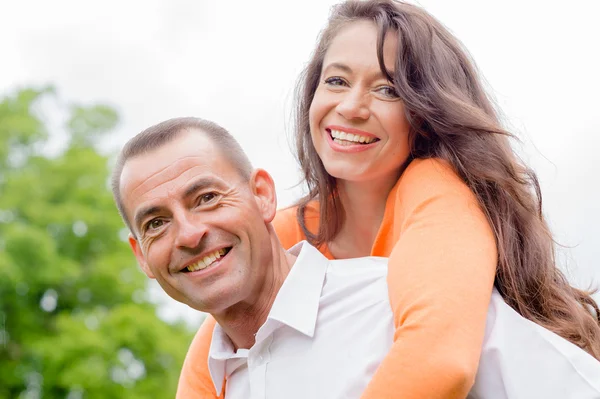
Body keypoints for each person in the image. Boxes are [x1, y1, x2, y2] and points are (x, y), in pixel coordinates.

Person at [177, 1, 600, 398]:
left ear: (426, 113)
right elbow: (214, 365)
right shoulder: (286, 229)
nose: (352, 107)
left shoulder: (434, 188)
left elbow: (440, 361)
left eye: (388, 91)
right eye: (337, 81)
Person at [113, 118, 600, 399]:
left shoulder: (394, 304)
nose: (190, 233)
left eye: (207, 198)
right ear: (140, 256)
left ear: (262, 196)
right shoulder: (220, 383)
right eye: (156, 222)